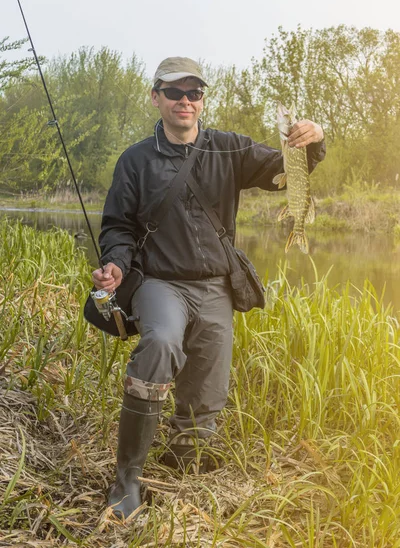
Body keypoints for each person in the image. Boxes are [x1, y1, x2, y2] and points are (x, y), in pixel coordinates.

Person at [92, 56, 326, 519]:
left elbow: (284, 171)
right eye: (174, 92)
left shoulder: (231, 148)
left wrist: (313, 141)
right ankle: (127, 479)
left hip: (217, 285)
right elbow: (117, 226)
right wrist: (115, 265)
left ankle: (186, 456)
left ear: (202, 101)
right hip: (161, 282)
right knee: (159, 343)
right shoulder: (136, 160)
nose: (184, 101)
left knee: (208, 389)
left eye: (193, 93)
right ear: (156, 97)